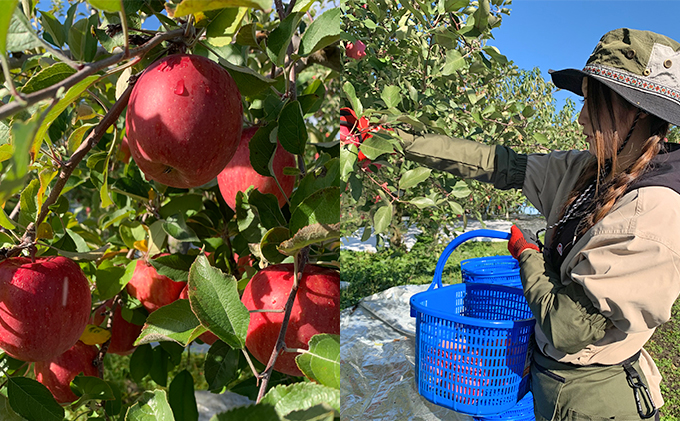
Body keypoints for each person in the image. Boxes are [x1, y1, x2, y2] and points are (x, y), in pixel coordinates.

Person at [398, 28, 680, 420]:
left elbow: (567, 326)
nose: (581, 117)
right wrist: (401, 141)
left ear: (639, 111)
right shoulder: (587, 172)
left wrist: (528, 254)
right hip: (552, 383)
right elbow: (498, 164)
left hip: (594, 401)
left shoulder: (653, 215)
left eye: (594, 104)